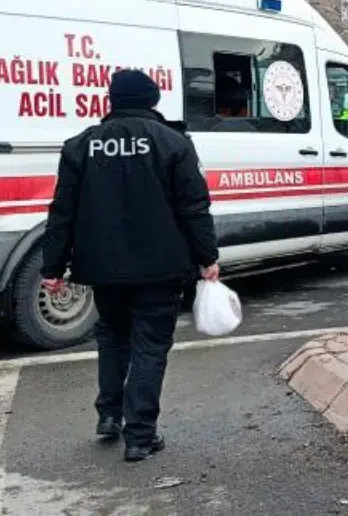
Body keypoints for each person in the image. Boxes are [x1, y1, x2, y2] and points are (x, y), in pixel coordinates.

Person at [41, 69, 219, 462]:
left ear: (112, 100)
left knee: (113, 337)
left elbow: (62, 213)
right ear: (153, 100)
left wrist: (51, 266)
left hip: (102, 268)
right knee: (150, 346)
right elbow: (194, 207)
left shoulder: (80, 146)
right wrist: (208, 257)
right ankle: (140, 435)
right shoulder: (174, 143)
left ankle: (109, 416)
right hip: (161, 266)